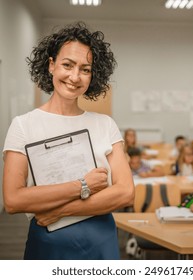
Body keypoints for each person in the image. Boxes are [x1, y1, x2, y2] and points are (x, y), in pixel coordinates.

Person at [2, 22, 135, 260]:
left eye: (85, 69)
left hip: (100, 239)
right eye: (67, 65)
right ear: (51, 65)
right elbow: (13, 199)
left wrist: (61, 211)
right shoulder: (23, 125)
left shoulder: (105, 124)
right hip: (49, 242)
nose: (75, 77)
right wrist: (84, 185)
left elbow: (125, 193)